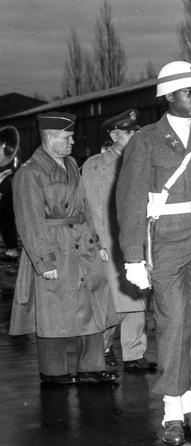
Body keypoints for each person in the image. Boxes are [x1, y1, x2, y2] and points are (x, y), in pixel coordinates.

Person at [116, 61, 191, 446]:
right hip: (166, 239)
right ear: (169, 96)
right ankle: (171, 410)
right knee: (173, 322)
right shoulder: (146, 140)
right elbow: (130, 199)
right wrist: (133, 256)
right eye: (189, 92)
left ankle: (188, 401)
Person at [10, 112, 118, 385]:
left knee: (92, 303)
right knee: (53, 311)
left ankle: (92, 366)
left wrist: (98, 243)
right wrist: (44, 262)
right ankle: (53, 371)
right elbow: (29, 221)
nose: (72, 142)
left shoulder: (70, 164)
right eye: (67, 137)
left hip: (81, 245)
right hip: (53, 246)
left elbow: (85, 207)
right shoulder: (30, 172)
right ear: (50, 137)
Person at [82, 109, 156, 373]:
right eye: (129, 132)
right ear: (114, 135)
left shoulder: (142, 162)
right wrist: (98, 244)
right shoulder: (95, 166)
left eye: (137, 131)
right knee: (111, 303)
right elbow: (91, 208)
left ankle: (134, 354)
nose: (135, 135)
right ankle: (102, 349)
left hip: (136, 243)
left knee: (137, 299)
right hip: (110, 245)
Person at [0, 126, 20, 260]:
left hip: (6, 197)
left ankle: (12, 250)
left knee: (6, 220)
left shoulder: (9, 176)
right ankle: (10, 248)